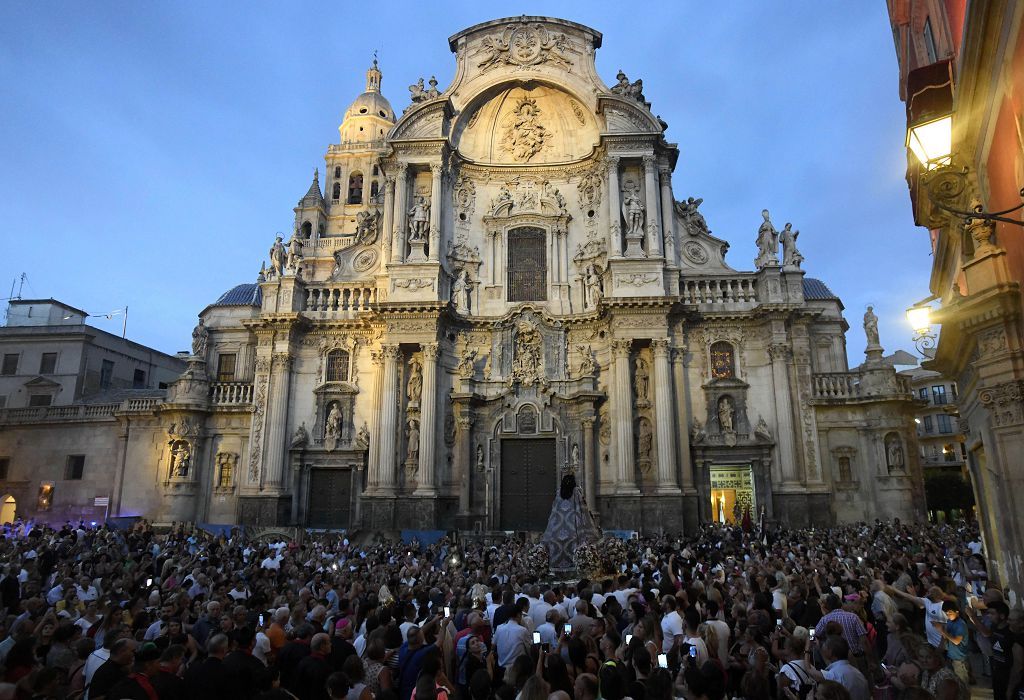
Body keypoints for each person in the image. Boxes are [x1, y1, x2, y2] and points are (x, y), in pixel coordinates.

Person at [802, 636, 869, 700]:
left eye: (825, 646)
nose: (823, 647)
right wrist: (819, 647)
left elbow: (809, 670)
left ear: (830, 652)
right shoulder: (858, 673)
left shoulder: (834, 674)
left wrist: (807, 648)